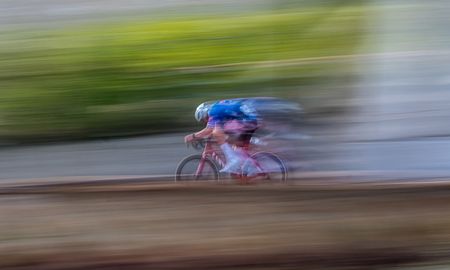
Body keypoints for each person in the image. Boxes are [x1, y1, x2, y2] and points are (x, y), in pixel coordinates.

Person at [184, 98, 260, 174]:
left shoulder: (213, 111)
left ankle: (233, 159)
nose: (205, 121)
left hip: (247, 120)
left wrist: (193, 136)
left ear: (204, 112)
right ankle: (251, 167)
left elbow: (209, 129)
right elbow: (212, 129)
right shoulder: (218, 110)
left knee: (217, 131)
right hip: (249, 119)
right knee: (231, 142)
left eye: (204, 119)